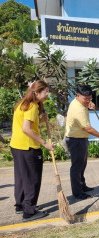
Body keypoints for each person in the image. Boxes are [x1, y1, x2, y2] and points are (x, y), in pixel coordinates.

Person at [10, 80, 54, 222]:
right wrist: (44, 143)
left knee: (22, 177)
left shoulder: (23, 103)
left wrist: (41, 121)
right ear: (36, 93)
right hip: (28, 147)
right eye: (45, 92)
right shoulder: (32, 106)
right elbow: (26, 129)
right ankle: (29, 212)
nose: (48, 94)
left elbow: (26, 123)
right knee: (32, 179)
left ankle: (21, 205)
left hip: (17, 145)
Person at [65, 85, 99, 200]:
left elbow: (86, 105)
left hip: (81, 139)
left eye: (90, 98)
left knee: (82, 165)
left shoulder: (79, 103)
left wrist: (90, 106)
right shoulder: (78, 109)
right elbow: (88, 128)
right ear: (77, 96)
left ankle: (82, 186)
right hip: (75, 140)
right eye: (86, 99)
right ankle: (77, 192)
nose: (88, 101)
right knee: (76, 167)